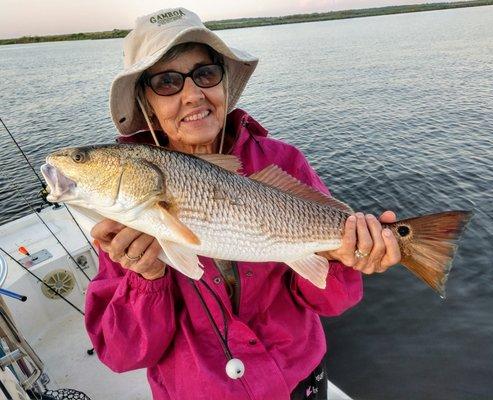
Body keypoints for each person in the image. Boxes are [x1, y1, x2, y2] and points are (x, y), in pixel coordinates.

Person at [85, 7, 401, 400]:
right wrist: (145, 279)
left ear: (223, 83)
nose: (192, 94)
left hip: (299, 381)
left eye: (205, 74)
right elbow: (121, 354)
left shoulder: (283, 162)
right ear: (146, 103)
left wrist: (348, 258)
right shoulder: (128, 203)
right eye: (166, 82)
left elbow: (332, 300)